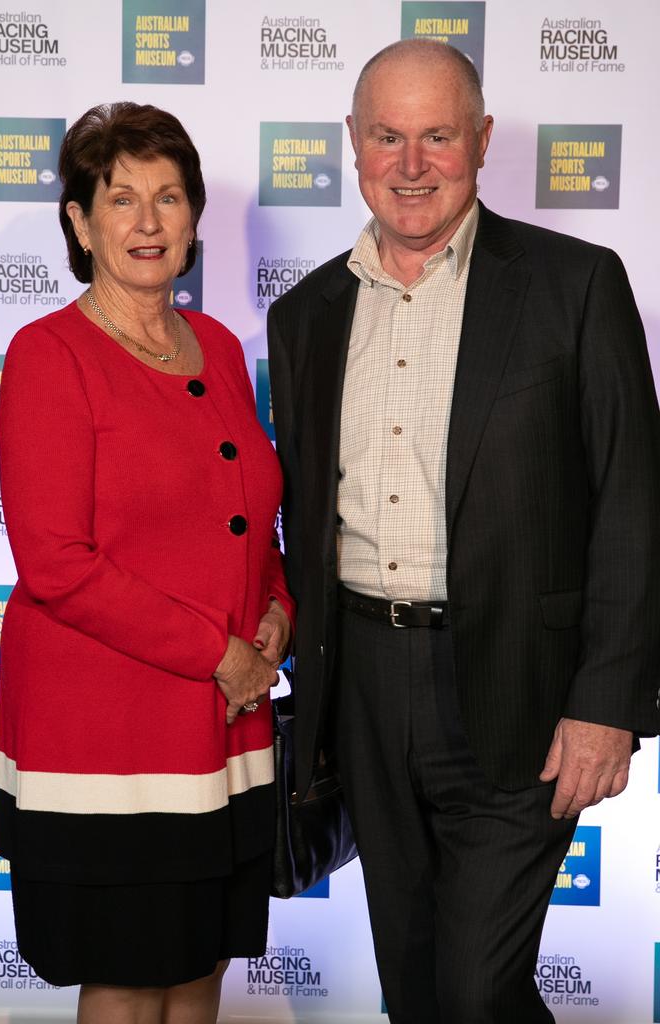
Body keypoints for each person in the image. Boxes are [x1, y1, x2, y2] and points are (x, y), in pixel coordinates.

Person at [267, 39, 660, 1024]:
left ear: (481, 142)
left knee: (475, 991)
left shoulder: (574, 286)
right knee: (417, 987)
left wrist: (608, 700)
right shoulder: (306, 314)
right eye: (387, 137)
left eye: (437, 136)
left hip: (522, 692)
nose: (410, 164)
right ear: (352, 145)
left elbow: (631, 501)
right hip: (360, 687)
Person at [0, 101, 293, 1024]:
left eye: (169, 197)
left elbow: (253, 521)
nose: (149, 221)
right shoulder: (49, 356)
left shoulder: (225, 355)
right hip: (109, 742)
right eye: (121, 198)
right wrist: (223, 653)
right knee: (126, 977)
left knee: (202, 964)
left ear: (196, 218)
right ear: (80, 224)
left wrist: (280, 614)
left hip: (222, 733)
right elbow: (57, 566)